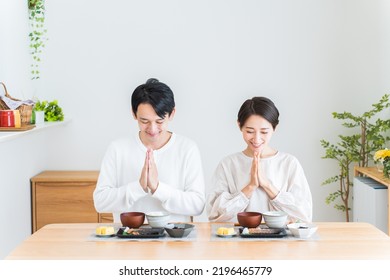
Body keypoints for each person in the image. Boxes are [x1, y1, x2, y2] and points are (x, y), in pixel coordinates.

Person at [93, 78, 206, 223]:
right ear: (134, 114)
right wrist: (138, 187)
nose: (152, 129)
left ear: (172, 114)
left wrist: (158, 189)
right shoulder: (117, 148)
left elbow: (197, 205)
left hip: (175, 241)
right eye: (144, 121)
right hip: (128, 239)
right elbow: (100, 202)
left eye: (159, 121)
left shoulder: (187, 148)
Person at [207, 96, 312, 223]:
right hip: (238, 241)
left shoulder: (289, 163)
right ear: (239, 125)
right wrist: (250, 187)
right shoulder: (228, 164)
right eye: (250, 131)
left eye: (264, 132)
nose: (257, 139)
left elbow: (304, 215)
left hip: (281, 241)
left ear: (274, 128)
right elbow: (214, 215)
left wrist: (268, 186)